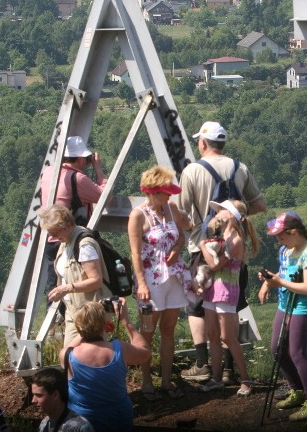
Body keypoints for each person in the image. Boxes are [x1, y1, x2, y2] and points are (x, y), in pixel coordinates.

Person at [177, 121, 267, 383]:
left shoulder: (193, 170)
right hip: (236, 249)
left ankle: (203, 364)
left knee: (197, 306)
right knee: (230, 305)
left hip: (202, 249)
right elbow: (260, 204)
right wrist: (237, 216)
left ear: (203, 143)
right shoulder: (241, 168)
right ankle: (228, 369)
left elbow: (182, 214)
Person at [127, 165, 195, 400]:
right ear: (153, 191)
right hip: (151, 280)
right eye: (166, 191)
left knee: (168, 329)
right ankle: (147, 381)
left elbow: (182, 237)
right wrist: (141, 284)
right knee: (148, 330)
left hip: (173, 276)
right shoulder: (138, 215)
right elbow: (135, 253)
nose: (169, 195)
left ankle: (166, 381)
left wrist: (177, 249)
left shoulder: (171, 208)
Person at [258, 211, 307, 422]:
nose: (279, 240)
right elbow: (284, 274)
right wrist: (268, 281)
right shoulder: (287, 251)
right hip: (284, 304)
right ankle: (297, 391)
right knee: (277, 350)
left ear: (294, 232)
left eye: (281, 235)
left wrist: (279, 283)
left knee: (296, 353)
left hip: (302, 308)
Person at [197, 199, 260, 396]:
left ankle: (246, 379)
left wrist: (201, 245)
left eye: (222, 210)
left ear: (231, 214)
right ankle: (217, 379)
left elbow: (215, 265)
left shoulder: (235, 240)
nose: (217, 213)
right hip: (212, 291)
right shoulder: (222, 235)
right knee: (213, 336)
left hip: (225, 291)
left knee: (227, 337)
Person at [61, 299, 150, 432]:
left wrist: (87, 321)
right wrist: (126, 321)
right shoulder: (120, 349)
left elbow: (73, 343)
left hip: (81, 421)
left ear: (77, 325)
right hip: (117, 418)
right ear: (105, 324)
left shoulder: (67, 355)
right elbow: (145, 352)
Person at [40, 135, 108, 291]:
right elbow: (105, 197)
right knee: (77, 287)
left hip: (51, 238)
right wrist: (98, 168)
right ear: (79, 158)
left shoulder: (48, 172)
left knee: (55, 287)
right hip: (70, 239)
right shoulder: (78, 178)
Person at [40, 205, 113, 346]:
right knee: (69, 355)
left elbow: (96, 280)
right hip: (73, 311)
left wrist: (66, 288)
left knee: (85, 354)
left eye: (55, 234)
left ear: (67, 226)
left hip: (90, 314)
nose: (53, 238)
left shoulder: (84, 245)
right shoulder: (66, 241)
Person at [30, 367, 94, 432]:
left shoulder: (80, 427)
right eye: (33, 395)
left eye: (39, 395)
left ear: (55, 395)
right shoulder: (44, 423)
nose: (33, 400)